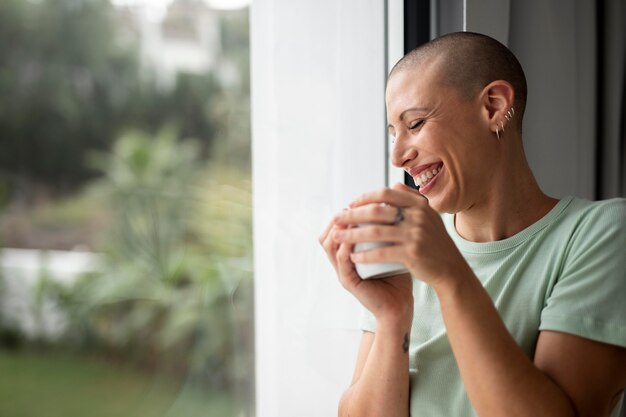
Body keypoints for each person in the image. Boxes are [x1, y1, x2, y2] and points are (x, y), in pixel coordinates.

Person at [319, 32, 626, 417]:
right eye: (392, 134)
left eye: (414, 124)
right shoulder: (412, 249)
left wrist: (451, 275)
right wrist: (392, 316)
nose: (398, 156)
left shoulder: (602, 233)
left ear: (494, 107)